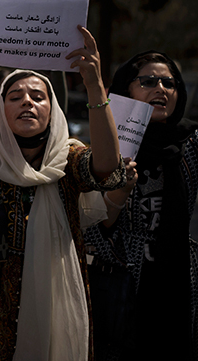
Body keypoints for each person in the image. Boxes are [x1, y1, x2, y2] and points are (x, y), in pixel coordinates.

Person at [0, 18, 126, 361]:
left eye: (38, 96)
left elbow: (107, 165)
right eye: (15, 96)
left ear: (52, 109)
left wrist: (95, 85)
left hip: (57, 305)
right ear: (1, 109)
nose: (27, 102)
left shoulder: (69, 160)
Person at [83, 51, 198, 360]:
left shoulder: (190, 144)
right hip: (121, 290)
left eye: (169, 83)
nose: (160, 89)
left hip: (176, 283)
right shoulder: (105, 147)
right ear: (126, 91)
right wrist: (121, 190)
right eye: (148, 81)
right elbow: (96, 228)